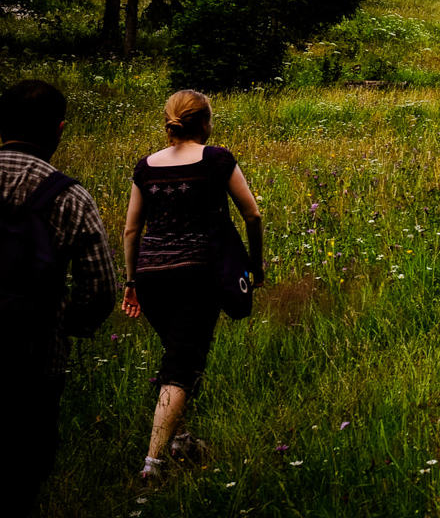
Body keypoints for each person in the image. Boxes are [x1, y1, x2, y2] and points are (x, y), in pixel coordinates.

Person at [121, 90, 264, 481]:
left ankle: (181, 438)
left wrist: (131, 282)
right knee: (183, 365)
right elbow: (252, 213)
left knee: (178, 354)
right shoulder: (217, 159)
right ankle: (153, 464)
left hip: (150, 277)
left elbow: (132, 229)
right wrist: (255, 264)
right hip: (197, 276)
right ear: (205, 122)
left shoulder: (145, 167)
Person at [0, 80, 117, 516]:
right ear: (59, 130)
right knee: (20, 473)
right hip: (32, 360)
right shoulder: (68, 197)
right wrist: (64, 323)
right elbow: (100, 288)